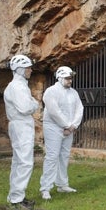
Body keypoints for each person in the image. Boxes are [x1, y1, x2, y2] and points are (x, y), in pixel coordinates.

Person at [40, 66, 84, 199]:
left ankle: (62, 184)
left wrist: (73, 126)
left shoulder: (73, 92)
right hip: (53, 127)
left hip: (69, 128)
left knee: (64, 155)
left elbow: (79, 108)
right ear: (59, 78)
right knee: (52, 156)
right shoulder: (51, 91)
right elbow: (54, 111)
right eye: (67, 78)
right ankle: (45, 188)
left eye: (70, 78)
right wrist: (66, 125)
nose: (70, 80)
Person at [3, 54, 39, 210]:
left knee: (18, 161)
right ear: (19, 69)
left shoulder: (18, 86)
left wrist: (31, 103)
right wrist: (35, 104)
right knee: (24, 162)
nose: (30, 70)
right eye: (28, 67)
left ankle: (15, 196)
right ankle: (17, 198)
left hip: (19, 125)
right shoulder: (18, 87)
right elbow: (26, 108)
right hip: (21, 125)